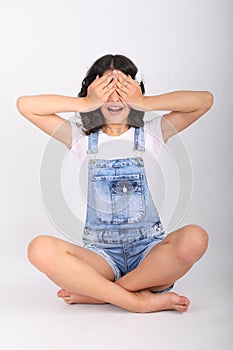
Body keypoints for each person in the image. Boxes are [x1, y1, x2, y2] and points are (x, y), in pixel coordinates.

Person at [17, 54, 213, 313]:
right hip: (101, 256)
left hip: (149, 255)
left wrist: (144, 102)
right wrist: (86, 102)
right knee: (39, 249)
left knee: (195, 238)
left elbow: (204, 101)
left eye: (122, 89)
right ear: (93, 93)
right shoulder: (80, 138)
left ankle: (102, 292)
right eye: (106, 89)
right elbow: (25, 105)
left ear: (135, 91)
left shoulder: (152, 132)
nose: (115, 98)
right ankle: (137, 301)